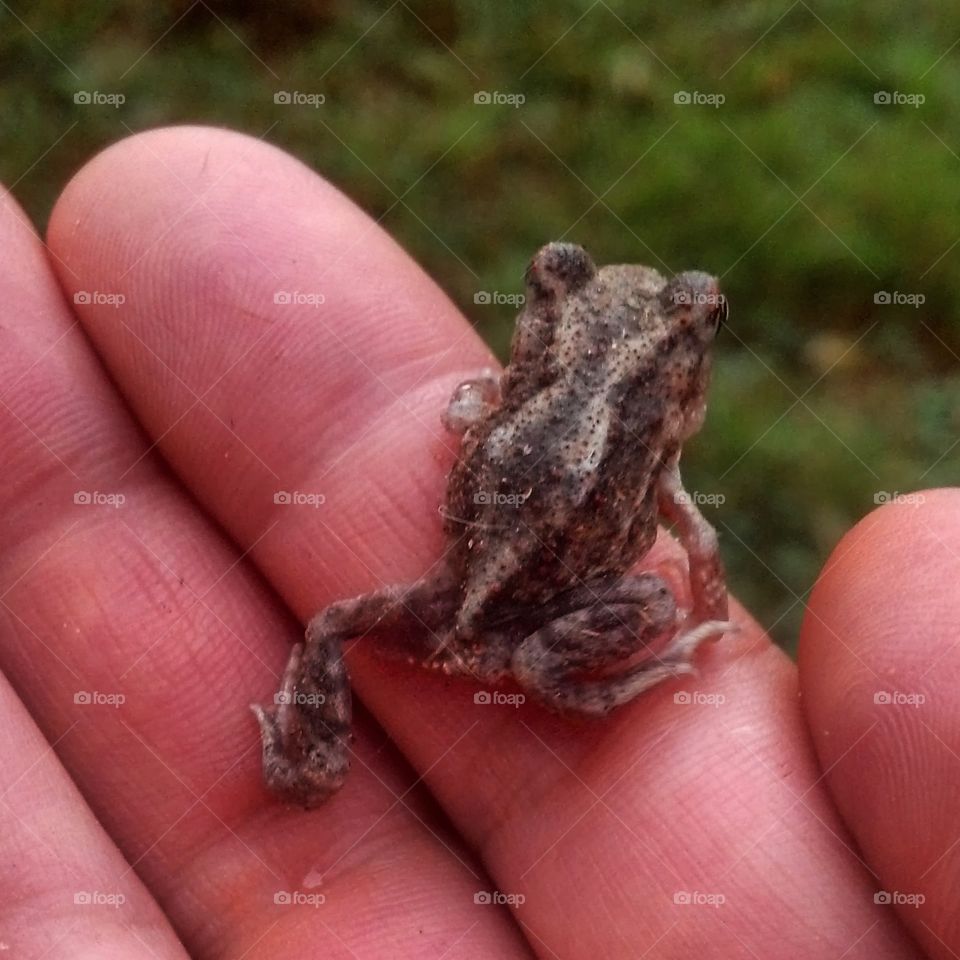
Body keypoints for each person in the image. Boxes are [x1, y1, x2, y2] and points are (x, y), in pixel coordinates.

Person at [0, 126, 948, 958]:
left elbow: (479, 414)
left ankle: (306, 769)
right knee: (654, 601)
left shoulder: (516, 396)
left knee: (334, 623)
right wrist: (704, 619)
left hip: (452, 592)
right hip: (521, 617)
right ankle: (573, 680)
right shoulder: (648, 451)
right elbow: (693, 543)